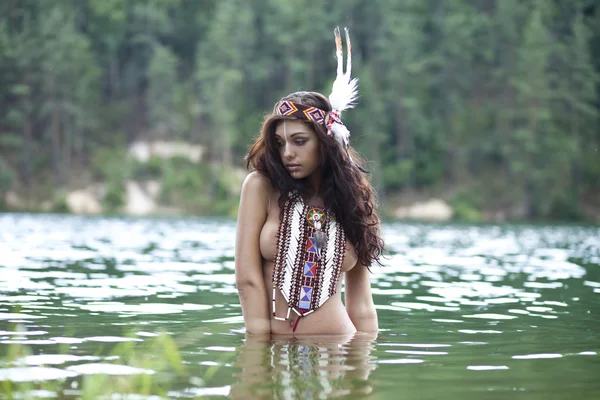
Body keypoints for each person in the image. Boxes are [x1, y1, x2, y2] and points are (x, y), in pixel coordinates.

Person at [235, 27, 384, 336]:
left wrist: (363, 374)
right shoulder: (260, 187)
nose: (287, 152)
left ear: (324, 142)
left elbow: (362, 305)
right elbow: (247, 280)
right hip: (273, 350)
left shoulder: (355, 200)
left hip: (338, 354)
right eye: (279, 143)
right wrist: (258, 358)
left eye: (299, 141)